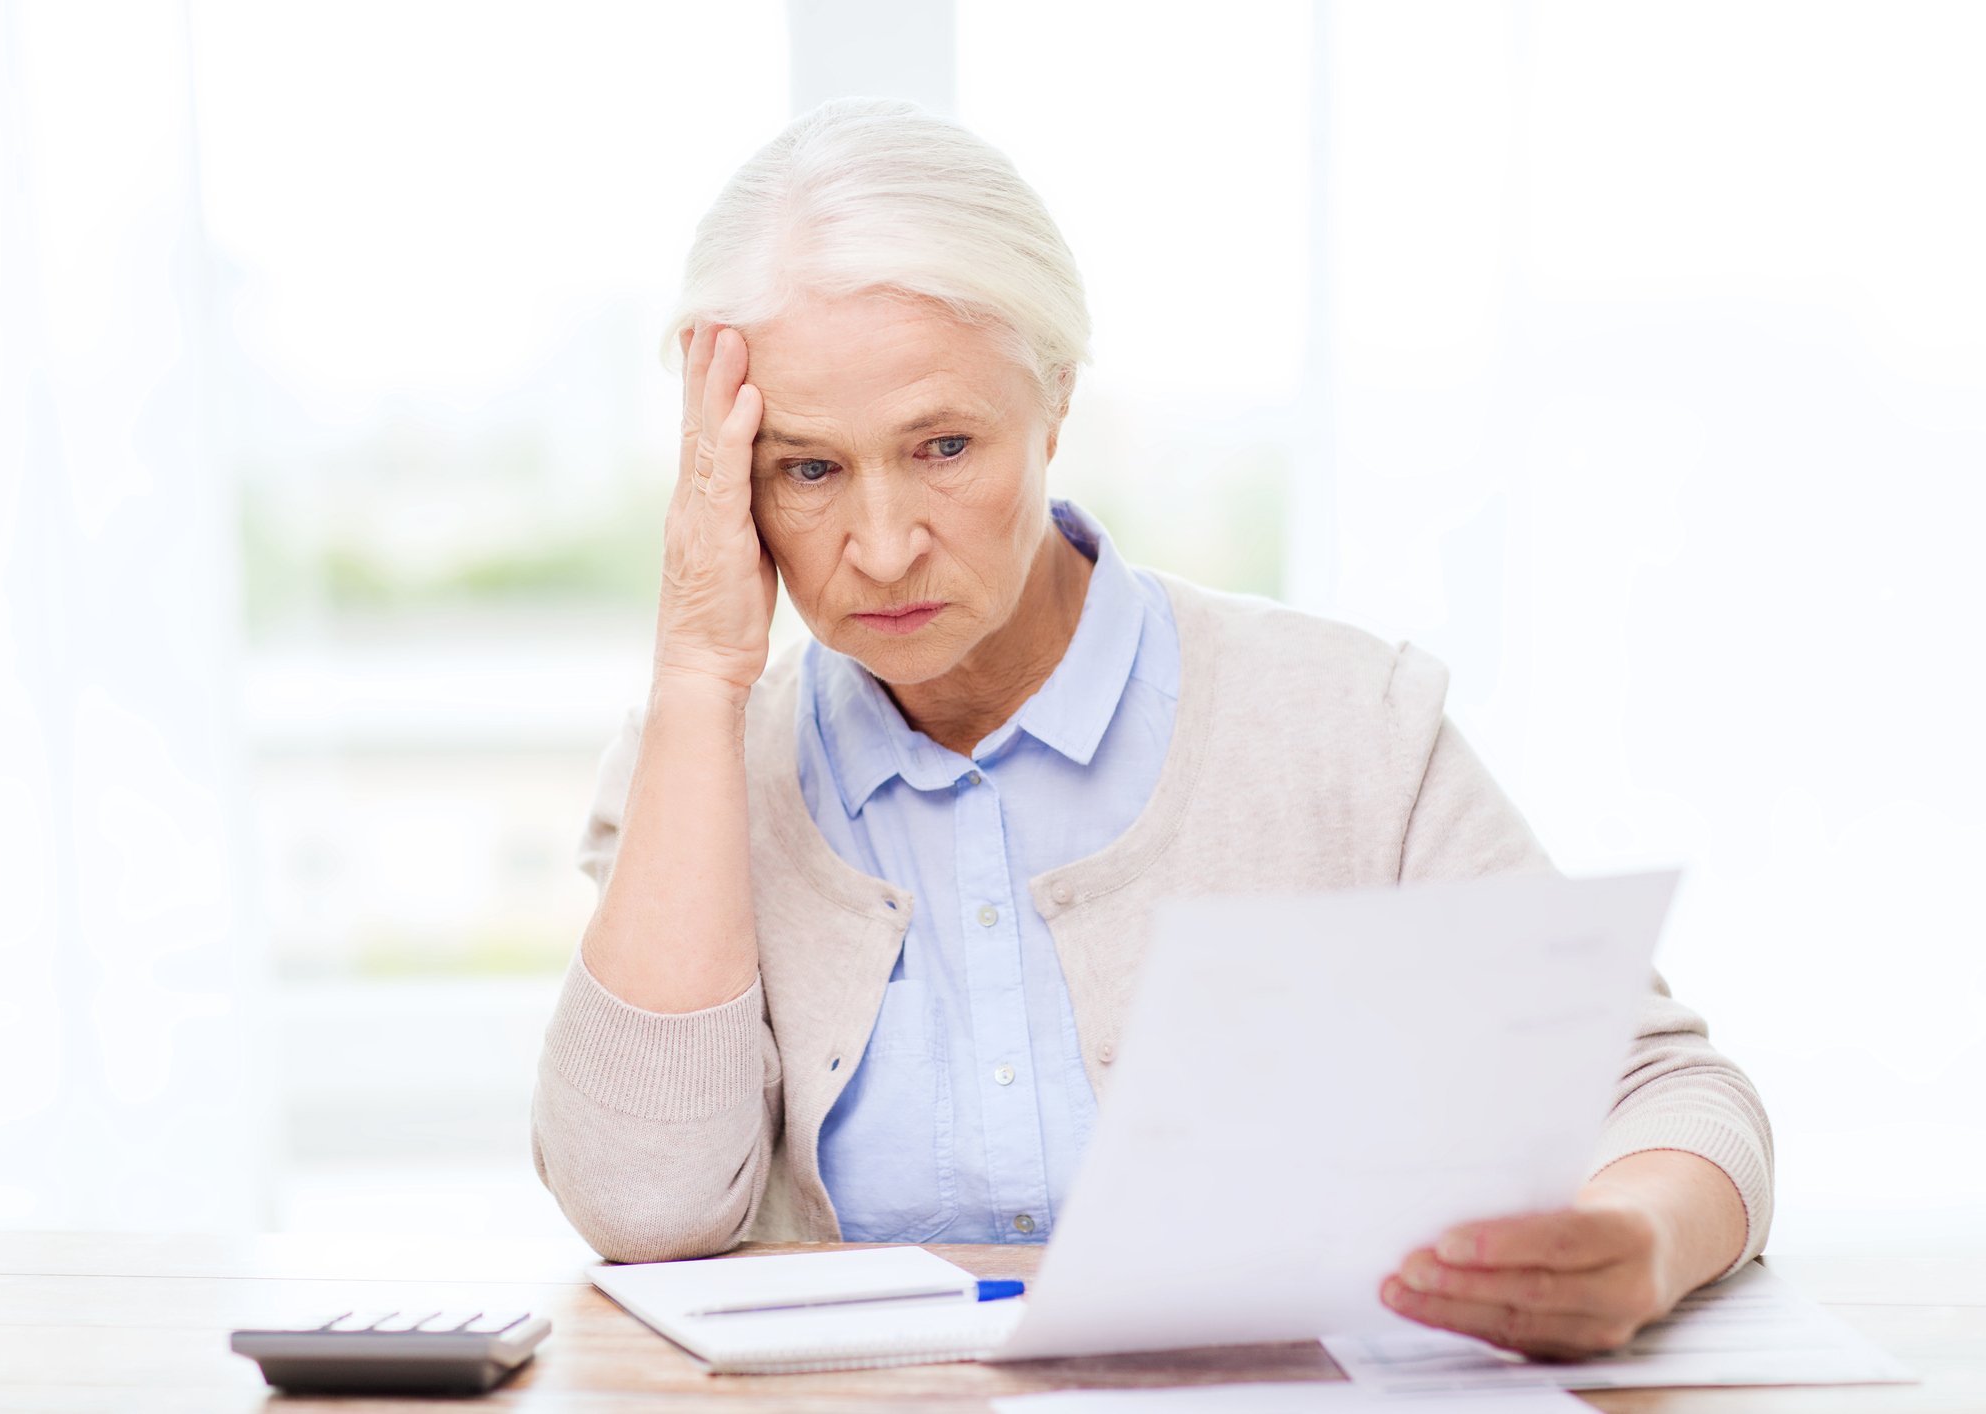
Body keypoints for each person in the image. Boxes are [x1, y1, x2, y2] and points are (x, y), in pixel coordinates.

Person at [530, 96, 1773, 1361]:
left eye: (945, 445)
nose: (886, 542)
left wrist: (1640, 1243)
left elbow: (1668, 1093)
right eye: (808, 469)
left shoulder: (1344, 722)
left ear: (1055, 399)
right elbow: (646, 1208)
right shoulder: (702, 765)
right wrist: (698, 667)